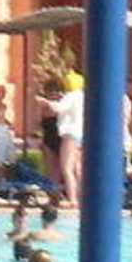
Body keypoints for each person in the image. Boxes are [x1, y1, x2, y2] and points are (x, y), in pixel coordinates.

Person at [42, 73, 86, 207]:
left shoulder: (70, 97)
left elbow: (58, 108)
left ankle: (72, 198)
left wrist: (45, 102)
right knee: (77, 168)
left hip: (69, 134)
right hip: (79, 135)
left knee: (67, 168)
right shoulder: (82, 97)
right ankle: (81, 197)